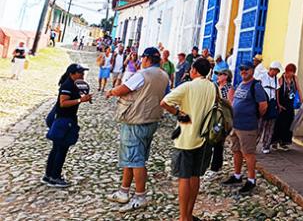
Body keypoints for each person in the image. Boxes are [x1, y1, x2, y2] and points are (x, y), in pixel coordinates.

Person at [105, 47, 170, 212]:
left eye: (142, 58)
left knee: (136, 160)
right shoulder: (164, 75)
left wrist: (112, 91)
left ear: (147, 59)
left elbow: (123, 89)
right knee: (132, 158)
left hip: (136, 120)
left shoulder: (142, 74)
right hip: (152, 119)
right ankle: (124, 191)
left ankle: (140, 196)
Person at [160, 58, 216, 221]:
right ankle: (189, 214)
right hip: (205, 137)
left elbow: (164, 102)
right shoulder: (213, 87)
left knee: (184, 177)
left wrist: (178, 113)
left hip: (186, 138)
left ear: (194, 70)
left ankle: (183, 217)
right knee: (195, 176)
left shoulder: (188, 86)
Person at [221, 60, 268, 194]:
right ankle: (237, 175)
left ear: (252, 70)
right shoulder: (241, 84)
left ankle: (251, 180)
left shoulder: (256, 86)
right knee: (236, 150)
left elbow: (263, 106)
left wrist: (254, 116)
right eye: (242, 69)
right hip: (236, 125)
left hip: (247, 126)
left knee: (248, 153)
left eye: (246, 69)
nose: (243, 72)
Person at [43, 64, 92, 187]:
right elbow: (63, 103)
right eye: (80, 72)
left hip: (64, 119)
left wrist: (83, 96)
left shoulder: (74, 84)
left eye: (83, 72)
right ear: (71, 74)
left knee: (56, 148)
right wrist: (81, 100)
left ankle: (48, 175)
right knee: (61, 149)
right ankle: (55, 177)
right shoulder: (67, 85)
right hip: (64, 121)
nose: (82, 75)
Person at [203, 67, 234, 180]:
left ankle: (215, 167)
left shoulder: (229, 89)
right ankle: (211, 165)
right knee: (210, 140)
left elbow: (230, 105)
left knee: (218, 141)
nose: (218, 76)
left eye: (220, 74)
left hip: (221, 118)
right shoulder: (215, 85)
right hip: (213, 116)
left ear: (226, 76)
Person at [273, 63, 303, 151]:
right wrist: (278, 103)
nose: (292, 74)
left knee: (289, 123)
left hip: (290, 103)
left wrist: (301, 99)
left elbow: (298, 89)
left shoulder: (295, 78)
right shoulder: (281, 79)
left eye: (293, 72)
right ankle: (275, 141)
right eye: (291, 72)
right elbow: (277, 92)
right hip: (282, 102)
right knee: (279, 123)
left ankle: (284, 142)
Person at [257, 61, 281, 154]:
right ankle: (254, 144)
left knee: (270, 127)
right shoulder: (262, 77)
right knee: (260, 126)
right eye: (275, 71)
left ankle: (266, 145)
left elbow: (277, 91)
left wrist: (278, 104)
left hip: (272, 103)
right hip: (263, 103)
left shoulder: (276, 80)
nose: (276, 73)